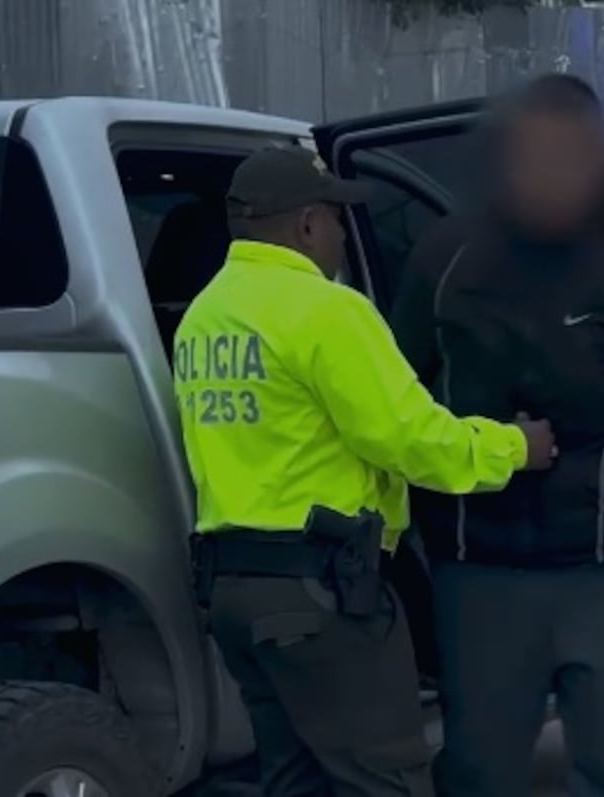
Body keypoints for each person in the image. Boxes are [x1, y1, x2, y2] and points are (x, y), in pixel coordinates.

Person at [174, 145, 556, 797]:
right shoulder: (327, 310)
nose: (344, 236)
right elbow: (411, 440)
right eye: (336, 219)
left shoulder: (201, 318)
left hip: (235, 594)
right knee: (387, 779)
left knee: (294, 781)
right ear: (304, 225)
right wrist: (517, 447)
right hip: (320, 600)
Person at [391, 74, 604, 797]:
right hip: (481, 567)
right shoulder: (446, 258)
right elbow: (400, 392)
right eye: (534, 154)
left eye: (571, 154)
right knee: (480, 770)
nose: (553, 172)